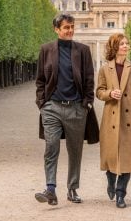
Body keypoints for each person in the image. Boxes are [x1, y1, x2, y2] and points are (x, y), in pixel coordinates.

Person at [34, 13, 98, 206]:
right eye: (66, 27)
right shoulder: (46, 50)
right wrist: (42, 103)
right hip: (52, 107)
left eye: (72, 27)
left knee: (75, 150)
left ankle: (72, 188)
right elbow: (40, 80)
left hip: (76, 108)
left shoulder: (83, 50)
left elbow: (89, 78)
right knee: (51, 147)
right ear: (56, 29)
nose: (70, 30)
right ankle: (51, 189)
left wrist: (87, 102)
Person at [96, 34, 131, 208]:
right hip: (110, 117)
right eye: (122, 44)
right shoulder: (104, 69)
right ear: (114, 47)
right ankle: (111, 181)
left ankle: (120, 194)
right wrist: (110, 93)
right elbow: (99, 92)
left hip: (129, 118)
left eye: (127, 43)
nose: (126, 46)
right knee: (111, 156)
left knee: (127, 158)